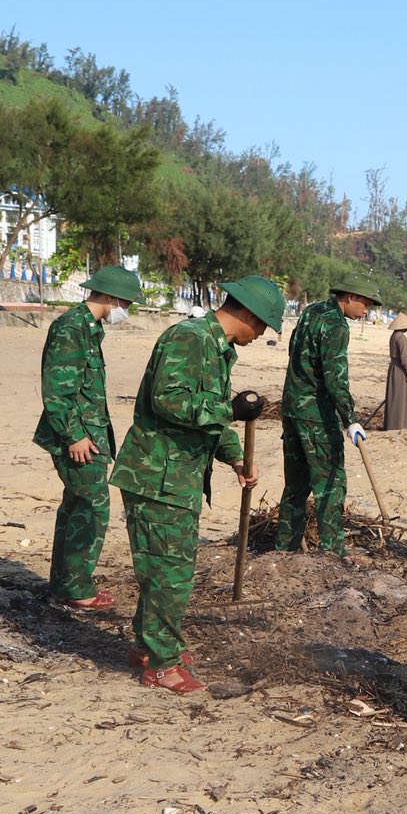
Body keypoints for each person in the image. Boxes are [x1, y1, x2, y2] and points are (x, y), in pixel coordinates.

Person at [109, 274, 282, 694]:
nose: (261, 335)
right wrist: (230, 409)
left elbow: (210, 417)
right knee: (171, 573)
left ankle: (148, 646)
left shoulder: (215, 349)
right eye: (262, 325)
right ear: (248, 314)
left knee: (163, 568)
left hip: (177, 476)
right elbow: (168, 400)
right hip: (157, 475)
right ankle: (161, 665)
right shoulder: (189, 339)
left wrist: (235, 456)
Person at [34, 264, 144, 610]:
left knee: (76, 506)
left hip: (89, 433)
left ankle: (65, 583)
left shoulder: (89, 327)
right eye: (126, 303)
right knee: (92, 508)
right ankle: (77, 588)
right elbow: (57, 389)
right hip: (79, 438)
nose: (126, 310)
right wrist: (73, 436)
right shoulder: (72, 327)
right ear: (111, 296)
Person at [279, 276, 378, 555]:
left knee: (295, 486)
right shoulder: (337, 325)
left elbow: (293, 351)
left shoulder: (311, 311)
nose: (366, 310)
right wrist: (350, 419)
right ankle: (333, 552)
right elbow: (335, 378)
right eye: (365, 304)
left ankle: (284, 549)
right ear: (349, 297)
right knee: (330, 485)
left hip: (292, 409)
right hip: (316, 416)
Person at [383, 313, 407, 432]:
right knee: (402, 397)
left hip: (393, 368)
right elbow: (404, 358)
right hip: (400, 370)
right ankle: (401, 424)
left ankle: (392, 423)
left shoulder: (393, 336)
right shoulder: (401, 338)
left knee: (394, 396)